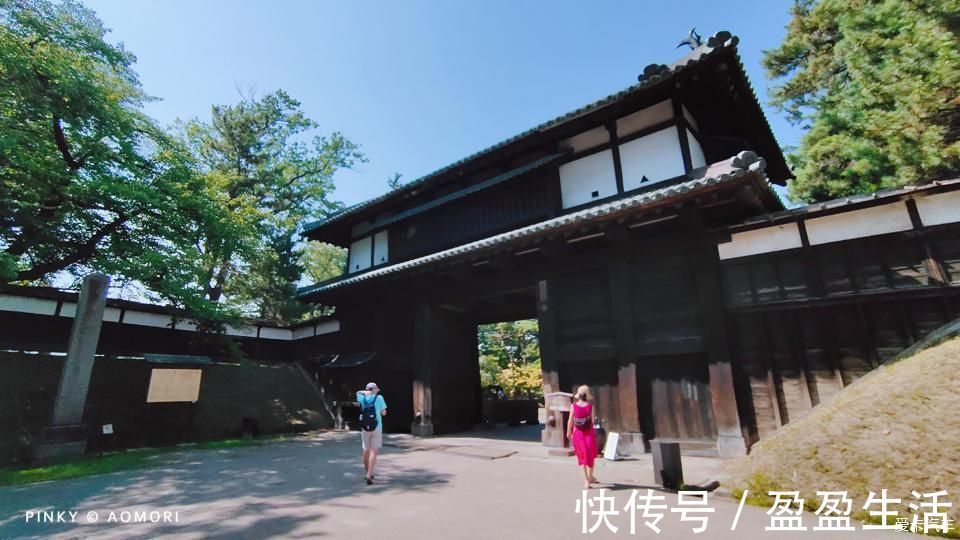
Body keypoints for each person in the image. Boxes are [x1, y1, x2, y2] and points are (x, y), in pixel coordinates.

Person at [566, 385, 599, 489]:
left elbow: (570, 421)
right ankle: (590, 478)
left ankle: (586, 481)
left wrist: (568, 432)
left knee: (581, 457)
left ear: (578, 395)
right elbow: (592, 422)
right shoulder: (590, 406)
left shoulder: (573, 406)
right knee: (590, 456)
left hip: (577, 433)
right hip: (589, 434)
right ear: (587, 395)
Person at [356, 382, 387, 485]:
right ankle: (369, 474)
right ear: (374, 389)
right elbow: (384, 413)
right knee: (374, 451)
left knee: (366, 449)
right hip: (377, 427)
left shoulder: (361, 398)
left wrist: (366, 392)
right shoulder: (379, 398)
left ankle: (367, 471)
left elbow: (357, 393)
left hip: (365, 427)